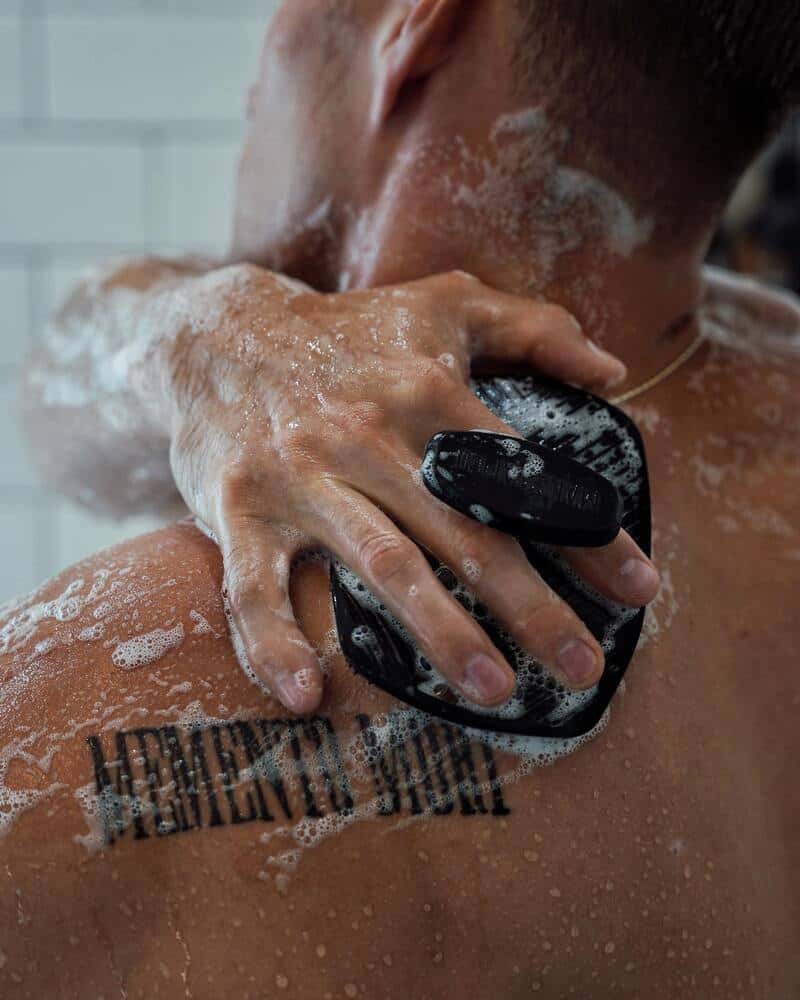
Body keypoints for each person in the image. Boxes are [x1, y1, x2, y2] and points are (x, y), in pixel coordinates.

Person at [4, 0, 799, 996]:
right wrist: (187, 333)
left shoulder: (59, 724)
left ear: (414, 24)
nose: (256, 83)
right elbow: (57, 401)